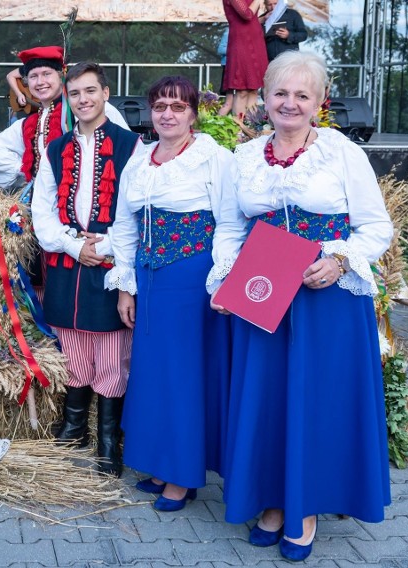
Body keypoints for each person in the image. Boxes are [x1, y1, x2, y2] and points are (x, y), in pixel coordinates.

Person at [211, 51, 393, 561]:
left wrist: (339, 260)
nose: (289, 103)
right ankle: (272, 500)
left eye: (302, 95)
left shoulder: (340, 153)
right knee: (267, 397)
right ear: (264, 99)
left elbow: (376, 226)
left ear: (319, 103)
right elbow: (228, 227)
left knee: (317, 400)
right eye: (280, 93)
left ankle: (305, 505)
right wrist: (223, 280)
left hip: (324, 298)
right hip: (261, 292)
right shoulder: (243, 159)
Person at [106, 76, 246, 509]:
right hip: (149, 278)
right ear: (150, 111)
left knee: (184, 376)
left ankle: (183, 477)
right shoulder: (140, 158)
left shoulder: (213, 158)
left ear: (193, 114)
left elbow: (230, 223)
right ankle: (161, 462)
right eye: (160, 105)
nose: (168, 114)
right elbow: (125, 226)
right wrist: (125, 286)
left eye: (178, 106)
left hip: (192, 279)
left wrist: (219, 278)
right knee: (153, 376)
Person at [31, 62, 141, 477]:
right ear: (67, 98)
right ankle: (74, 425)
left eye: (90, 91)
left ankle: (109, 440)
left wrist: (107, 245)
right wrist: (74, 245)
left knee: (112, 351)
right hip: (68, 258)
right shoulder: (55, 149)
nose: (83, 100)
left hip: (112, 259)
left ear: (106, 93)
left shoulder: (132, 146)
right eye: (75, 93)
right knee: (72, 345)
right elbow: (41, 210)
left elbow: (136, 211)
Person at [0, 46, 130, 192]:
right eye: (33, 76)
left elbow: (128, 150)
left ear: (61, 77)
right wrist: (24, 172)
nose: (40, 82)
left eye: (47, 74)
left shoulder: (89, 108)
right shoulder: (28, 123)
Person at [222, 0, 269, 117]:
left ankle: (250, 126)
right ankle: (238, 128)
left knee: (254, 89)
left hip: (256, 40)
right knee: (242, 90)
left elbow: (252, 19)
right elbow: (247, 14)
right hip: (242, 43)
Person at [217, 29, 234, 116]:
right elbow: (220, 50)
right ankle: (217, 123)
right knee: (229, 102)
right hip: (229, 67)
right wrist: (236, 49)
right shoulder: (228, 32)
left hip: (242, 68)